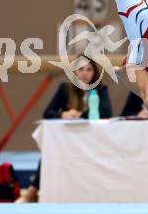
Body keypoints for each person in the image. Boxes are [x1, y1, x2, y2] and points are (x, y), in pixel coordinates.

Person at [16, 59, 112, 203]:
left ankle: (33, 189)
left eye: (89, 69)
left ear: (95, 72)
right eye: (81, 70)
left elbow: (106, 112)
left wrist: (80, 115)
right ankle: (33, 190)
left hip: (93, 140)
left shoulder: (100, 89)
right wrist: (63, 114)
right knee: (50, 148)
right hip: (70, 140)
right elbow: (48, 112)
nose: (85, 73)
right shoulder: (65, 88)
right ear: (74, 72)